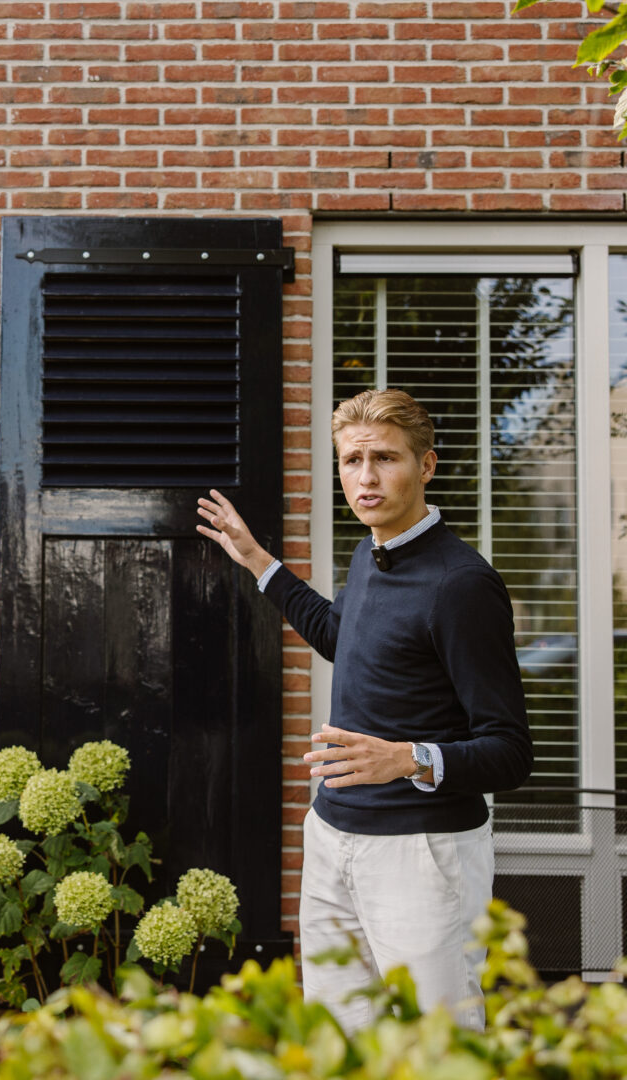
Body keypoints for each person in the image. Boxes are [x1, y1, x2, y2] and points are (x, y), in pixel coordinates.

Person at [196, 387, 531, 1031]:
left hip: (421, 854)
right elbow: (340, 634)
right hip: (332, 838)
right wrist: (257, 560)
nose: (366, 477)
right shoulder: (370, 553)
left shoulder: (462, 585)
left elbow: (510, 751)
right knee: (341, 1040)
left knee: (436, 1049)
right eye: (352, 460)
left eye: (385, 458)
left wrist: (405, 759)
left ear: (426, 466)